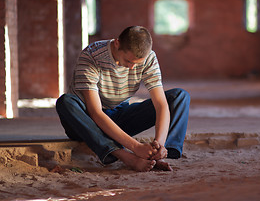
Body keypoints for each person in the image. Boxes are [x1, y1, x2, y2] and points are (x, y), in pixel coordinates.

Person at [56, 26, 190, 172]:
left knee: (179, 97)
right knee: (65, 102)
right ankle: (124, 156)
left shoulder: (149, 58)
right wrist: (136, 148)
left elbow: (161, 104)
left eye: (137, 64)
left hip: (118, 116)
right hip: (87, 122)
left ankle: (161, 154)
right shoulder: (91, 56)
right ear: (117, 43)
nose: (132, 68)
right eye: (128, 61)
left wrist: (158, 146)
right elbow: (96, 113)